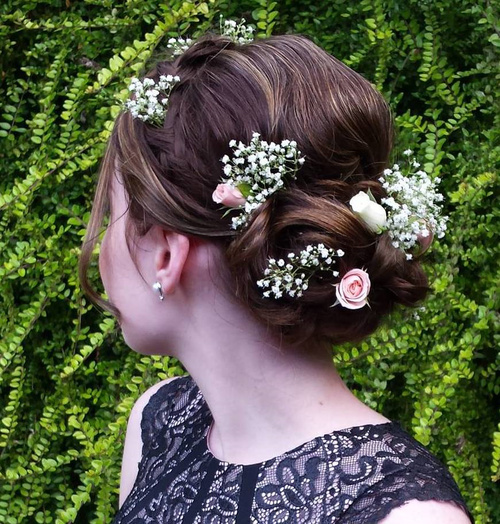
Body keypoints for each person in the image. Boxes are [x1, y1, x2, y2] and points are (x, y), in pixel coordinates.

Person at [79, 29, 474, 523]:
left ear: (165, 254)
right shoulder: (160, 423)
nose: (95, 246)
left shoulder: (409, 517)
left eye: (112, 217)